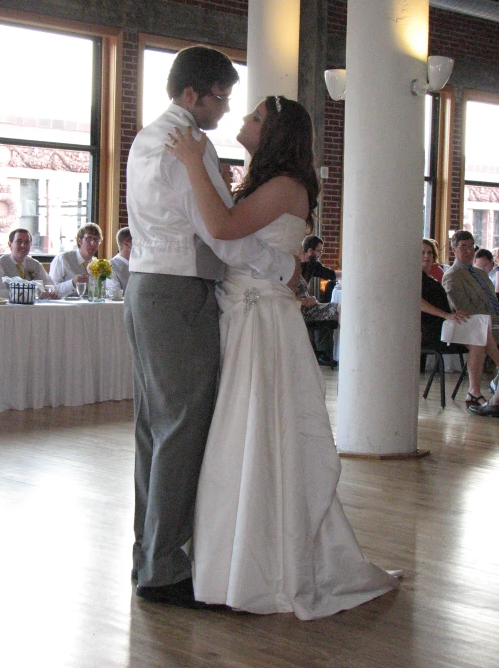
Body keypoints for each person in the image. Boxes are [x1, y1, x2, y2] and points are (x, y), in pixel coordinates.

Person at [168, 94, 399, 620]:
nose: (243, 121)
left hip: (260, 320)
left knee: (254, 435)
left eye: (253, 118)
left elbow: (224, 229)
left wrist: (190, 165)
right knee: (243, 436)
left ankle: (256, 564)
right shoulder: (269, 184)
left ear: (274, 134)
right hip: (248, 310)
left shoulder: (284, 186)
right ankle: (236, 557)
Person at [125, 47, 299, 609]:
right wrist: (282, 268)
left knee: (155, 427)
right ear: (192, 94)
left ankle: (148, 553)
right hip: (178, 292)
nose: (226, 110)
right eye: (221, 98)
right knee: (181, 426)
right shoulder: (186, 147)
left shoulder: (150, 137)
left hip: (151, 288)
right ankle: (165, 569)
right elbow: (222, 234)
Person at [421, 238, 499, 407]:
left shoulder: (432, 276)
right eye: (422, 252)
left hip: (447, 322)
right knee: (480, 327)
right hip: (434, 329)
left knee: (479, 338)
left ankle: (473, 391)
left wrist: (451, 315)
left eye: (429, 252)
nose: (426, 256)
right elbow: (418, 302)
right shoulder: (416, 277)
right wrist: (447, 315)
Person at [442, 231, 499, 342]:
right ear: (454, 250)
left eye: (471, 246)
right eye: (463, 247)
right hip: (480, 326)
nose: (469, 251)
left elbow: (492, 299)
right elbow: (466, 311)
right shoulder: (452, 276)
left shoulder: (481, 273)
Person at [0, 228, 59, 298]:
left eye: (27, 242)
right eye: (19, 241)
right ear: (10, 244)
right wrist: (30, 293)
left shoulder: (35, 265)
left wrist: (50, 293)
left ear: (30, 245)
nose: (23, 245)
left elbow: (50, 286)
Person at [49, 222, 103, 297]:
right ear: (79, 241)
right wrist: (72, 283)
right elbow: (51, 290)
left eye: (96, 240)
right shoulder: (63, 259)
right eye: (89, 239)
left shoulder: (97, 264)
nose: (93, 243)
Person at [299, 234, 336, 301]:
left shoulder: (313, 265)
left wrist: (347, 275)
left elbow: (331, 274)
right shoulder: (295, 264)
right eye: (319, 251)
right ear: (310, 251)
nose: (320, 254)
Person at [107, 227, 132, 294]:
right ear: (127, 244)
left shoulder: (141, 264)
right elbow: (114, 294)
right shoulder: (110, 266)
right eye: (136, 242)